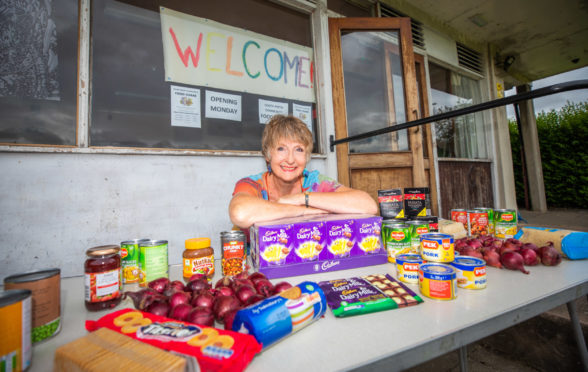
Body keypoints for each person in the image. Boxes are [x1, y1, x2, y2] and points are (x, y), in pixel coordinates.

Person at [229, 115, 378, 229]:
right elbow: (240, 212)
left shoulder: (313, 181)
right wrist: (302, 211)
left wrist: (302, 199)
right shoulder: (252, 184)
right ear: (268, 154)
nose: (290, 159)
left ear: (306, 156)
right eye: (281, 149)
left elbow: (368, 205)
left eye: (299, 150)